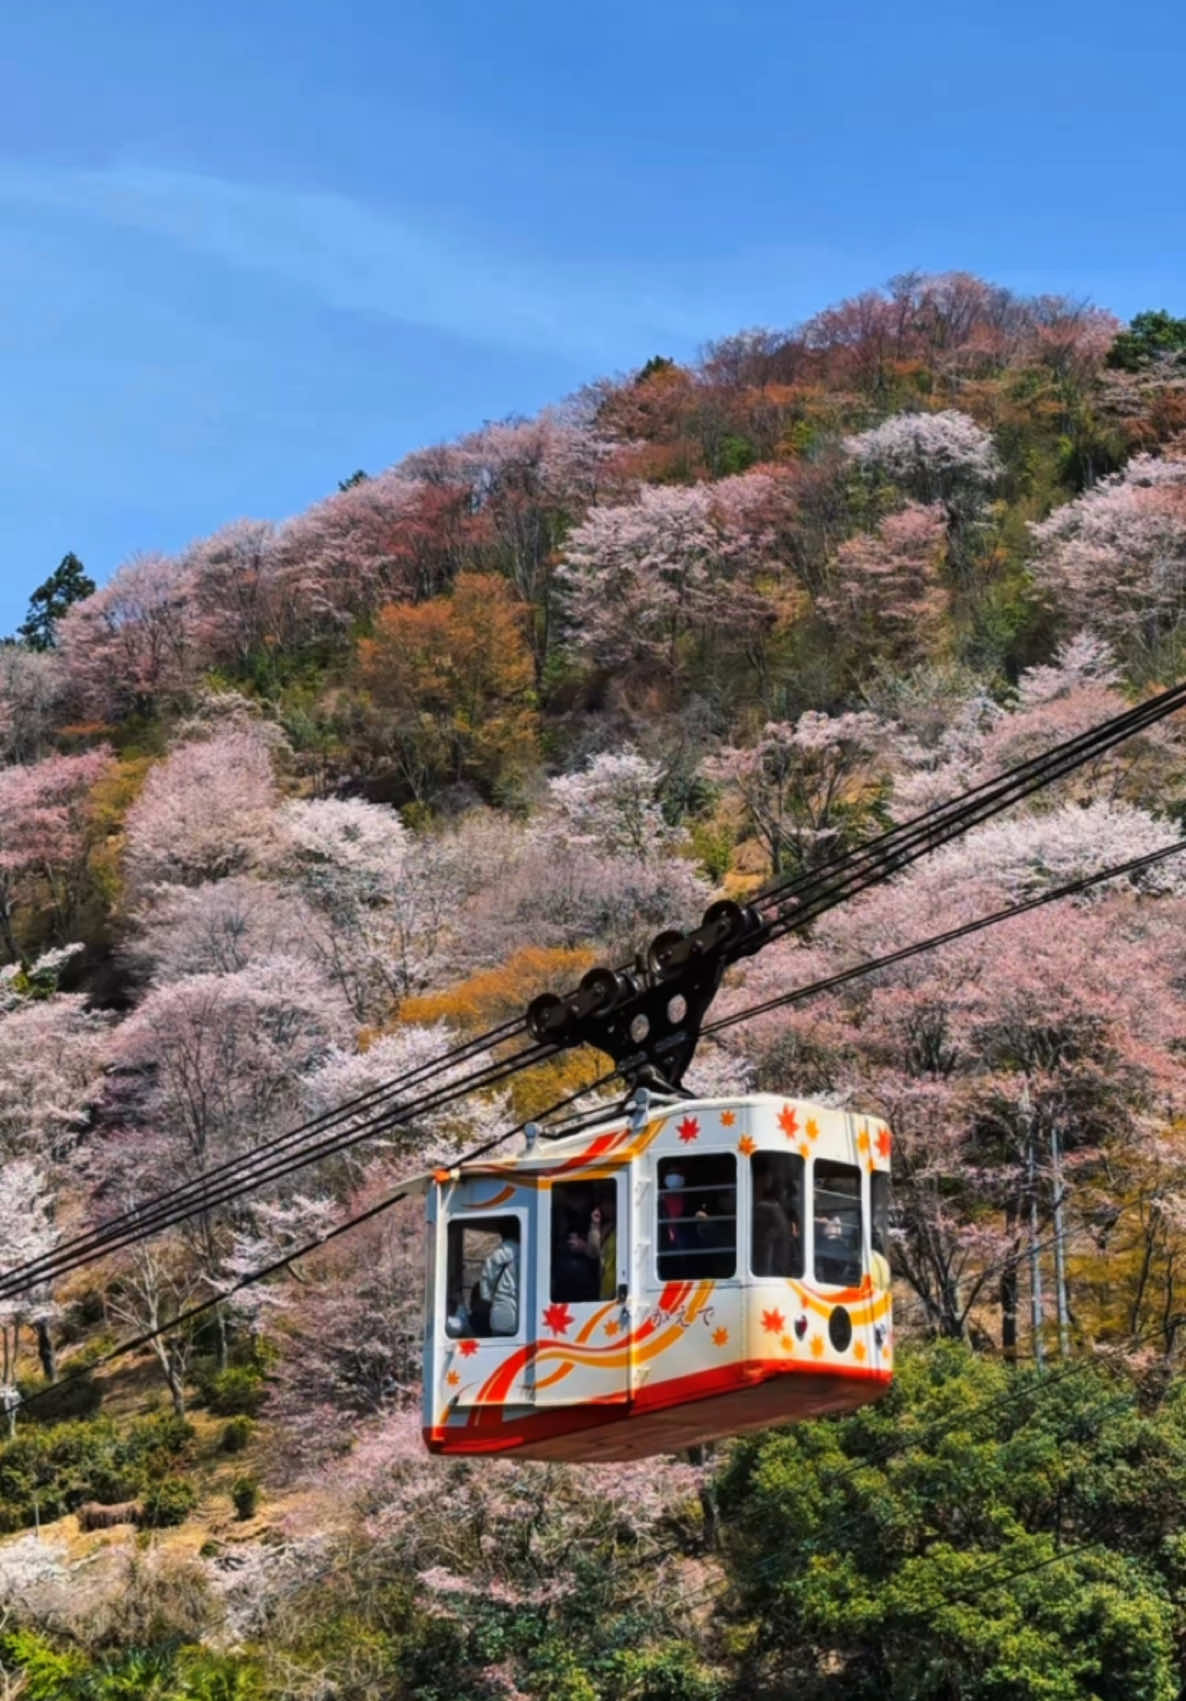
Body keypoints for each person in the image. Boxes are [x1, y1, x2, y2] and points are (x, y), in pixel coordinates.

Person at [752, 1162, 796, 1277]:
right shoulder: (769, 1205)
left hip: (773, 1252)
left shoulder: (773, 1206)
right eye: (766, 1177)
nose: (768, 1180)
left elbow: (781, 1225)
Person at [586, 1191, 618, 1300]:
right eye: (602, 1204)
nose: (604, 1207)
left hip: (620, 1282)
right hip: (606, 1284)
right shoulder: (608, 1227)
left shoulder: (628, 1224)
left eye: (608, 1203)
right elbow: (593, 1252)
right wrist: (595, 1225)